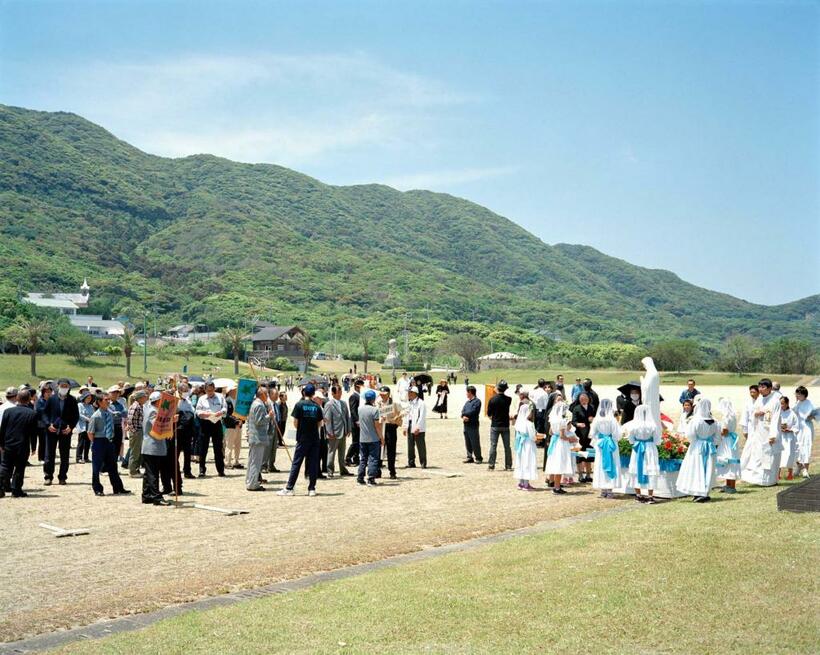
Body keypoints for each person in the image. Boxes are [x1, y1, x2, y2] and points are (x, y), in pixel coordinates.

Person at [278, 384, 323, 496]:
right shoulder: (317, 407)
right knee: (313, 464)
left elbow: (295, 423)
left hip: (302, 438)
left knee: (296, 463)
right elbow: (319, 424)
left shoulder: (299, 405)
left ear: (304, 393)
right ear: (313, 394)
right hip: (314, 438)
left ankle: (290, 487)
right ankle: (312, 488)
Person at [740, 378, 783, 487]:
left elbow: (776, 418)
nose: (761, 389)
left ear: (769, 388)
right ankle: (758, 479)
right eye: (760, 387)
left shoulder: (775, 401)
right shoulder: (759, 400)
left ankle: (770, 480)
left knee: (770, 455)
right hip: (759, 432)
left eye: (763, 387)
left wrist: (773, 434)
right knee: (758, 455)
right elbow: (754, 412)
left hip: (769, 432)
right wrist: (756, 414)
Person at [87, 393, 130, 497]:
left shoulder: (109, 413)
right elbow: (90, 433)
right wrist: (95, 443)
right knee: (96, 467)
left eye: (108, 400)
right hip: (99, 441)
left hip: (109, 442)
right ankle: (97, 489)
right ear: (99, 402)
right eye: (106, 400)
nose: (108, 401)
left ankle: (118, 487)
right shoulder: (95, 416)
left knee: (113, 466)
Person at [677, 398, 719, 502]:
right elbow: (717, 438)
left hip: (697, 446)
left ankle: (698, 492)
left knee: (696, 468)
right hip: (710, 447)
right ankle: (705, 492)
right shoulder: (715, 421)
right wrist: (711, 443)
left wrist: (697, 441)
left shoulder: (695, 421)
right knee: (708, 468)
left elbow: (690, 435)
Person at [0, 388, 37, 498]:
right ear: (29, 399)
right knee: (20, 468)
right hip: (23, 444)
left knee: (5, 466)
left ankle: (0, 487)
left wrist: (1, 444)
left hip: (8, 444)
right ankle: (16, 490)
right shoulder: (32, 413)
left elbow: (2, 429)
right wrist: (34, 447)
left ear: (17, 398)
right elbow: (33, 433)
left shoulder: (8, 411)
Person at [43, 379, 79, 486]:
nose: (64, 388)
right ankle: (48, 476)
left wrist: (71, 427)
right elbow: (44, 414)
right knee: (49, 454)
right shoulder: (51, 399)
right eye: (62, 386)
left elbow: (75, 416)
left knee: (65, 455)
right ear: (58, 386)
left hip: (65, 431)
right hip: (52, 430)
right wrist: (48, 425)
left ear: (69, 387)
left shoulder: (72, 400)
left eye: (66, 386)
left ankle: (62, 477)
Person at [624, 405, 661, 504]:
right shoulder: (653, 425)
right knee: (650, 470)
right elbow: (657, 441)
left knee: (636, 469)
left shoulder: (633, 425)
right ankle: (650, 496)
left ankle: (638, 495)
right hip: (650, 448)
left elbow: (631, 440)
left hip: (637, 448)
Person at [141, 391, 171, 505]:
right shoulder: (153, 411)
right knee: (153, 473)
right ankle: (156, 497)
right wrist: (172, 420)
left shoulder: (149, 409)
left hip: (151, 447)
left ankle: (147, 495)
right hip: (152, 447)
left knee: (148, 473)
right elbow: (159, 427)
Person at [544, 397, 577, 494]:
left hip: (554, 442)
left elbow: (550, 432)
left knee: (555, 462)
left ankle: (554, 483)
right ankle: (557, 487)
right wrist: (571, 439)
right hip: (560, 444)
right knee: (559, 464)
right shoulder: (562, 421)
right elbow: (562, 436)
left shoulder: (553, 419)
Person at [591, 399, 621, 498]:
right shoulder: (612, 420)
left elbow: (592, 433)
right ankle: (609, 489)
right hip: (611, 443)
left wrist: (599, 438)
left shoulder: (597, 419)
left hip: (601, 444)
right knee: (612, 463)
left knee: (601, 464)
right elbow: (617, 435)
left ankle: (603, 489)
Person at [196, 382, 226, 478]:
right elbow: (197, 411)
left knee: (218, 447)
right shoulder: (201, 399)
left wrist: (221, 412)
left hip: (216, 423)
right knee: (203, 448)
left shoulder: (220, 397)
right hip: (205, 424)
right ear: (205, 390)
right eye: (208, 390)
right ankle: (202, 469)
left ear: (214, 389)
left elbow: (225, 409)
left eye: (212, 390)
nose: (210, 392)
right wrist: (203, 414)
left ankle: (220, 470)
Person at [246, 387, 272, 491]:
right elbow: (259, 421)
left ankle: (250, 481)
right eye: (267, 394)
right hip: (258, 438)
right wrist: (269, 416)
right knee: (256, 462)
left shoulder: (256, 404)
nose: (268, 397)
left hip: (255, 437)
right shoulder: (259, 405)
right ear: (262, 394)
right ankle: (253, 484)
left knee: (252, 461)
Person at [513, 390, 539, 490]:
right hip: (528, 444)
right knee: (528, 462)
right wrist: (537, 438)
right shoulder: (529, 423)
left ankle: (520, 482)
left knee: (521, 462)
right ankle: (526, 484)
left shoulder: (519, 422)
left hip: (521, 444)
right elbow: (533, 436)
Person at [323, 385, 352, 478]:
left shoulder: (343, 403)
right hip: (334, 433)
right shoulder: (329, 404)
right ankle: (330, 470)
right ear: (333, 393)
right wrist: (329, 432)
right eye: (338, 392)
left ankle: (343, 469)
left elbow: (347, 417)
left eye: (340, 392)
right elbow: (327, 419)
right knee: (331, 452)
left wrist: (348, 429)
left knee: (342, 453)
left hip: (343, 432)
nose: (340, 394)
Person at [714, 398, 741, 494]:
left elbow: (724, 431)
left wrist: (717, 433)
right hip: (731, 439)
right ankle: (728, 484)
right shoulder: (732, 415)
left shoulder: (726, 417)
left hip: (726, 440)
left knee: (728, 460)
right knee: (730, 460)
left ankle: (732, 486)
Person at [357, 390, 383, 486]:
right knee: (373, 458)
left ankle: (360, 477)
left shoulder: (360, 409)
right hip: (373, 438)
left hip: (362, 438)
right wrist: (381, 437)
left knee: (363, 458)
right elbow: (377, 426)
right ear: (373, 399)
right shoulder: (375, 410)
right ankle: (371, 478)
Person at [486, 380, 512, 471]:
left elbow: (489, 413)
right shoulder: (509, 399)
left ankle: (491, 465)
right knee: (507, 446)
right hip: (505, 424)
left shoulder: (492, 399)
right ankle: (508, 465)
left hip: (495, 425)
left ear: (497, 388)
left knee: (493, 445)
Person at [377, 386, 401, 479]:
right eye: (381, 394)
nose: (382, 396)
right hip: (380, 427)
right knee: (379, 450)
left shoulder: (394, 403)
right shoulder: (377, 403)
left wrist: (395, 421)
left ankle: (392, 471)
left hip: (390, 428)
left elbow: (400, 414)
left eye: (384, 394)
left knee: (391, 450)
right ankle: (377, 470)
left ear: (388, 394)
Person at [571, 392, 595, 483]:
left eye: (585, 399)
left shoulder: (592, 407)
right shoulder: (576, 408)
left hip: (589, 435)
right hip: (580, 435)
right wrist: (578, 424)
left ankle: (588, 474)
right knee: (580, 455)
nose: (583, 401)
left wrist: (592, 419)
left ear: (588, 399)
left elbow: (595, 418)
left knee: (589, 455)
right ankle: (580, 475)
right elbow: (573, 421)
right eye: (581, 399)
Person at [793, 386, 816, 478]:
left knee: (805, 447)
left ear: (804, 395)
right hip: (798, 428)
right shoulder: (797, 403)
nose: (797, 395)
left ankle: (805, 469)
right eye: (796, 394)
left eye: (799, 394)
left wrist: (810, 416)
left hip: (806, 428)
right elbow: (793, 412)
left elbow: (814, 415)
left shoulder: (809, 403)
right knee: (796, 448)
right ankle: (799, 467)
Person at [176, 383, 197, 479]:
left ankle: (187, 471)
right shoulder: (175, 400)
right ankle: (175, 470)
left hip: (188, 430)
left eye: (187, 391)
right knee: (176, 452)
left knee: (187, 452)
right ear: (179, 391)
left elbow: (193, 411)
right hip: (178, 430)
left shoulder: (187, 400)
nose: (186, 393)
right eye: (184, 391)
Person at [403, 386, 427, 468]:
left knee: (420, 445)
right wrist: (405, 427)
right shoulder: (409, 403)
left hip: (417, 425)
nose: (408, 394)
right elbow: (407, 415)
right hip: (410, 424)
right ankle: (411, 462)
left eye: (410, 392)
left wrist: (418, 427)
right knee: (410, 445)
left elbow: (422, 416)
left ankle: (423, 462)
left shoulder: (421, 403)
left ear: (415, 393)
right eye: (408, 392)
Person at [126, 390, 148, 478]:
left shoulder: (140, 406)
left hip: (139, 431)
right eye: (144, 397)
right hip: (136, 432)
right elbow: (130, 421)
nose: (146, 398)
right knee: (135, 452)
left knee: (138, 452)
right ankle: (132, 471)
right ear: (141, 398)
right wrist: (135, 432)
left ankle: (136, 469)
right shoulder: (135, 406)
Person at [777, 396, 799, 481]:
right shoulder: (778, 413)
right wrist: (779, 428)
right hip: (780, 436)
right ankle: (778, 474)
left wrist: (790, 429)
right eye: (780, 404)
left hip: (789, 437)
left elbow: (796, 426)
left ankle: (790, 473)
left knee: (790, 454)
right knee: (780, 454)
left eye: (782, 403)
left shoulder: (792, 414)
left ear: (787, 403)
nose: (781, 405)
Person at [460, 385, 483, 464]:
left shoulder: (477, 401)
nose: (466, 394)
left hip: (473, 424)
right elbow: (463, 411)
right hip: (466, 425)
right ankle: (469, 457)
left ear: (470, 392)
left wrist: (466, 415)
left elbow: (474, 411)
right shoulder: (467, 402)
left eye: (467, 392)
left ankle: (478, 457)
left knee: (475, 441)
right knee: (468, 441)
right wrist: (463, 416)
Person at [106, 385, 127, 467]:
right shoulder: (106, 403)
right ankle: (105, 467)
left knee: (117, 447)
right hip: (109, 427)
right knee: (108, 447)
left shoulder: (120, 404)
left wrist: (118, 413)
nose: (116, 394)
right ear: (110, 394)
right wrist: (115, 413)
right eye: (114, 393)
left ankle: (113, 465)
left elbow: (124, 413)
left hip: (118, 426)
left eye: (117, 393)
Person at [223, 387, 244, 470]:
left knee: (238, 444)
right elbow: (226, 415)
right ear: (231, 391)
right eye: (235, 390)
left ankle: (236, 461)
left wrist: (241, 420)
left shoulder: (238, 401)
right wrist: (236, 421)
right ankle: (227, 462)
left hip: (239, 425)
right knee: (229, 444)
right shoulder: (227, 401)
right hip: (230, 426)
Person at [345, 379, 362, 466]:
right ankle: (348, 457)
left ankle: (356, 458)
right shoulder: (354, 396)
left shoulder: (360, 396)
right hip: (355, 423)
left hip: (360, 422)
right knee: (355, 442)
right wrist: (357, 420)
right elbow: (353, 410)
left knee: (359, 441)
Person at [75, 390, 94, 464]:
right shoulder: (79, 405)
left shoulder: (91, 406)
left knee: (88, 443)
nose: (89, 399)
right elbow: (79, 414)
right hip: (82, 426)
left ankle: (86, 457)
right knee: (81, 442)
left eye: (90, 398)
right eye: (88, 398)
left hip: (89, 427)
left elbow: (93, 414)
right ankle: (78, 457)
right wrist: (87, 419)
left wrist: (91, 419)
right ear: (84, 398)